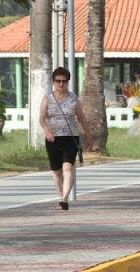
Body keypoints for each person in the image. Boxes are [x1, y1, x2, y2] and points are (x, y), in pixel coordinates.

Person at [39, 66, 91, 211]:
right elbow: (41, 118)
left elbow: (81, 118)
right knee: (56, 171)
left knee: (67, 167)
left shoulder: (74, 98)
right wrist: (47, 131)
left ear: (68, 82)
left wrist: (88, 136)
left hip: (70, 137)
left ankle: (64, 199)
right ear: (53, 82)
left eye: (64, 81)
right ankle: (61, 197)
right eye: (58, 81)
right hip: (53, 139)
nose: (61, 84)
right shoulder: (47, 98)